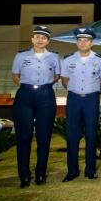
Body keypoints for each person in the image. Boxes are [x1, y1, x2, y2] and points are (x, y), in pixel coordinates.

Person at [11, 25, 60, 188]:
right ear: (32, 39)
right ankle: (24, 176)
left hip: (46, 96)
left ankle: (40, 174)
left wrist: (43, 86)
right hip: (25, 95)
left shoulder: (54, 57)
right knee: (23, 137)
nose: (40, 39)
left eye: (44, 37)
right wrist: (28, 86)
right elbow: (15, 75)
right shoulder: (21, 55)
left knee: (43, 137)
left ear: (48, 40)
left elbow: (56, 76)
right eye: (37, 36)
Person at [60, 27, 101, 182]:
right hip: (73, 99)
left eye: (86, 40)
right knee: (72, 136)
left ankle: (90, 170)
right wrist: (75, 90)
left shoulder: (100, 60)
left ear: (91, 43)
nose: (83, 42)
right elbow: (64, 80)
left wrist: (92, 91)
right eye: (80, 40)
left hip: (91, 100)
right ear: (77, 42)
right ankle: (72, 171)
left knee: (91, 135)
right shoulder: (68, 59)